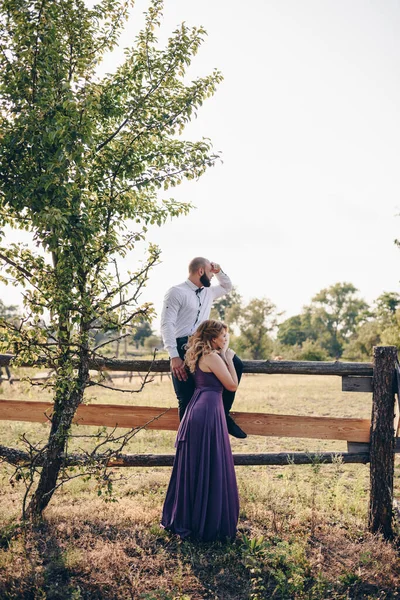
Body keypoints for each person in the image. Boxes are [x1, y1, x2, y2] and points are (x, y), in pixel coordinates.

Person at [161, 320, 240, 541]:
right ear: (213, 338)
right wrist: (228, 357)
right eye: (223, 336)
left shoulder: (199, 355)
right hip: (206, 412)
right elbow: (232, 385)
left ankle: (192, 518)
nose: (226, 339)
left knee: (199, 464)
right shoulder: (213, 357)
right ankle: (203, 523)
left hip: (199, 408)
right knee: (208, 462)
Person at [160, 256, 246, 439]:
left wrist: (218, 270)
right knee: (185, 395)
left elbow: (227, 286)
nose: (212, 276)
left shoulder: (208, 292)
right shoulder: (176, 292)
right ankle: (186, 440)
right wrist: (174, 356)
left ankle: (223, 414)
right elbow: (167, 324)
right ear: (201, 271)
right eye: (209, 272)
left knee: (236, 364)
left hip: (203, 344)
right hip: (181, 346)